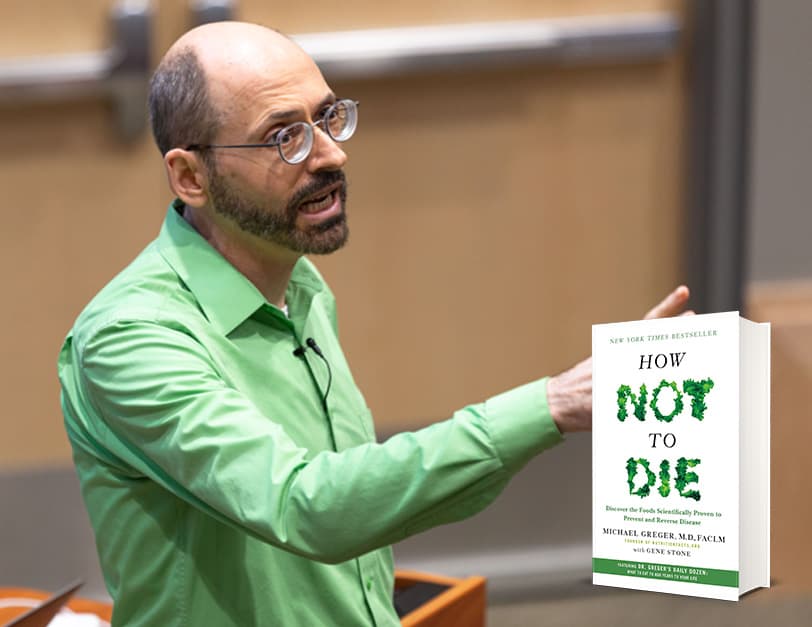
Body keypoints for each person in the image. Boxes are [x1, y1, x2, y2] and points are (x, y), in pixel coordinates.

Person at [57, 21, 691, 627]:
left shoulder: (298, 284)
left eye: (327, 118)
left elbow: (356, 523)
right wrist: (553, 405)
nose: (331, 154)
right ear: (190, 175)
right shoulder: (129, 338)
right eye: (285, 137)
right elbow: (306, 508)